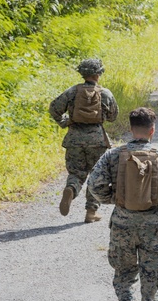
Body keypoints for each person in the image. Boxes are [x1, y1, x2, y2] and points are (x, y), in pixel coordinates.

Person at [85, 107, 158, 301]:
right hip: (152, 225)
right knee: (153, 274)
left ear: (131, 129)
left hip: (122, 223)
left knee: (124, 272)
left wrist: (114, 199)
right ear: (152, 130)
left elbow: (93, 185)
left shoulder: (113, 155)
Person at [49, 58, 119, 223]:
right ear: (98, 74)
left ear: (82, 73)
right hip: (97, 141)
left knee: (76, 173)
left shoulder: (72, 92)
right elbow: (113, 116)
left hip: (74, 139)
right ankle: (90, 212)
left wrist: (64, 121)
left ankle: (71, 189)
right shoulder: (105, 93)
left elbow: (54, 108)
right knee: (96, 175)